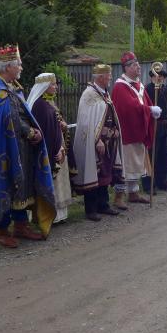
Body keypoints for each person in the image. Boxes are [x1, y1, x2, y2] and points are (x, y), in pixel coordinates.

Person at [0, 44, 56, 248]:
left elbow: (21, 114)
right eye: (19, 65)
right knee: (4, 186)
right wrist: (30, 131)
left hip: (19, 147)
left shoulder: (11, 86)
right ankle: (2, 229)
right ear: (8, 67)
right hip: (2, 150)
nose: (21, 68)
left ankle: (21, 224)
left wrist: (33, 131)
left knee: (21, 185)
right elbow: (9, 117)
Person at [71, 64, 123, 221]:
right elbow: (86, 121)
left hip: (109, 142)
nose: (110, 77)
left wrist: (115, 130)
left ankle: (103, 204)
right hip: (95, 143)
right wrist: (97, 139)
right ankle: (91, 209)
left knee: (105, 173)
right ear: (100, 77)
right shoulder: (89, 95)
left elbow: (107, 114)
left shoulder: (104, 93)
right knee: (93, 172)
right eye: (108, 75)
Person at [111, 52, 160, 209]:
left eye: (138, 64)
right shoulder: (120, 86)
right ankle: (119, 196)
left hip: (139, 130)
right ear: (126, 68)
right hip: (127, 132)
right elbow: (128, 108)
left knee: (137, 164)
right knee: (126, 165)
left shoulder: (139, 84)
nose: (138, 67)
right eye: (134, 65)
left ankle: (133, 193)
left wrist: (152, 110)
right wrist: (149, 110)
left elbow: (145, 102)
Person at [29, 72, 73, 224]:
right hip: (52, 151)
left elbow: (55, 125)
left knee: (59, 184)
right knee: (52, 183)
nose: (56, 87)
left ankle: (60, 215)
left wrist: (63, 129)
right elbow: (46, 132)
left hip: (58, 148)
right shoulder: (40, 105)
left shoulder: (49, 102)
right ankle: (50, 216)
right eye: (53, 84)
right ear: (44, 86)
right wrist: (57, 149)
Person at [144, 67, 167, 192]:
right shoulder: (147, 89)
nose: (159, 78)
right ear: (152, 77)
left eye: (161, 76)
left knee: (164, 156)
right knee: (151, 156)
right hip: (152, 125)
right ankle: (149, 184)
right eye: (157, 76)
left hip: (163, 126)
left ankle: (162, 181)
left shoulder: (165, 90)